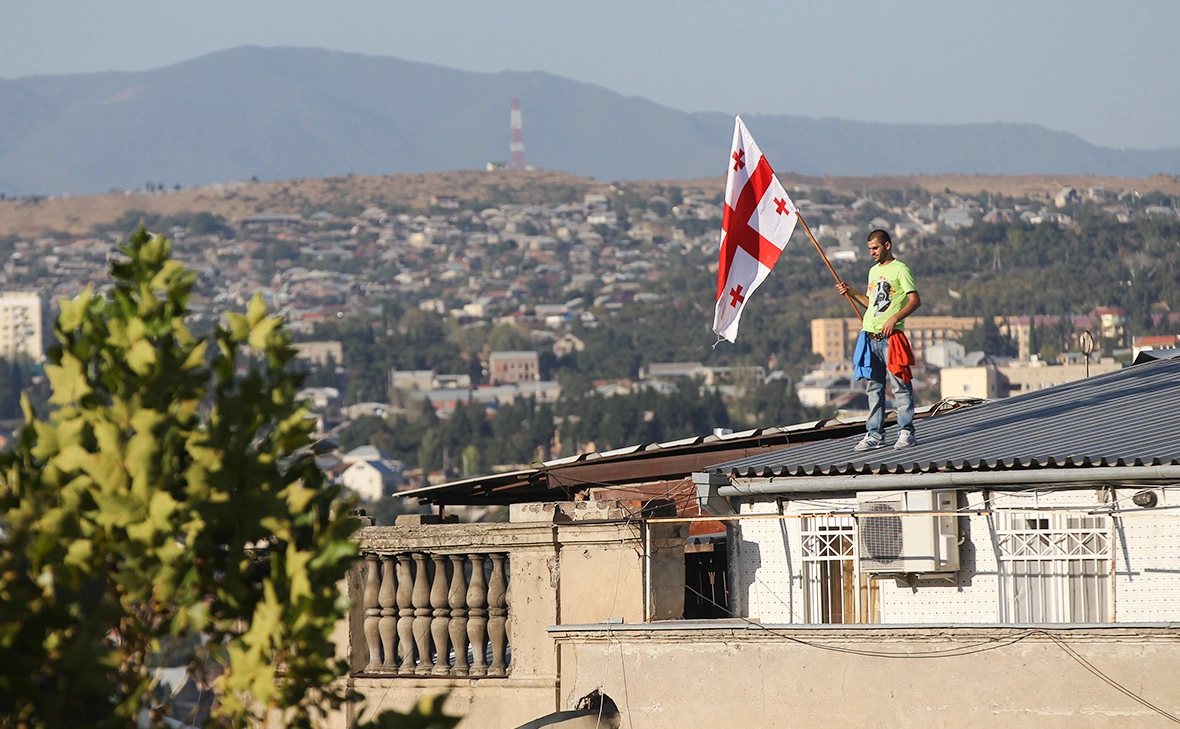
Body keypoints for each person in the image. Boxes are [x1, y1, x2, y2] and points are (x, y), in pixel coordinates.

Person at [836, 229, 921, 450]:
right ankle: (875, 434)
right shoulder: (873, 272)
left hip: (891, 338)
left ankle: (906, 431)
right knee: (874, 387)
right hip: (869, 336)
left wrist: (895, 319)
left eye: (875, 248)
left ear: (887, 245)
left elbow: (914, 300)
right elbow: (871, 303)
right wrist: (851, 292)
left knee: (900, 385)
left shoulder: (901, 269)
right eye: (869, 249)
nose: (872, 252)